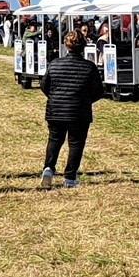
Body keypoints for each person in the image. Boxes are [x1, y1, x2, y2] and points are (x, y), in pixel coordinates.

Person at [40, 28, 104, 189]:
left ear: (66, 45)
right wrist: (86, 100)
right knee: (76, 143)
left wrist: (54, 97)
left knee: (55, 140)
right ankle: (70, 177)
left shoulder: (54, 64)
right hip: (79, 110)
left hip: (56, 109)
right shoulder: (89, 67)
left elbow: (44, 86)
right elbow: (98, 91)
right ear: (83, 47)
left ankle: (48, 168)